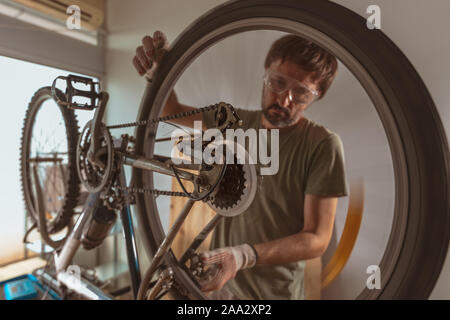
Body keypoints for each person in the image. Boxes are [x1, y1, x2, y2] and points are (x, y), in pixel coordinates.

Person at [133, 31, 348, 300]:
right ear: (265, 74)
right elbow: (170, 110)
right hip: (219, 287)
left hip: (272, 296)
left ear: (317, 95)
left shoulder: (322, 144)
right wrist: (159, 74)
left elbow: (316, 238)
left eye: (301, 93)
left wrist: (243, 256)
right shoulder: (234, 124)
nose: (284, 100)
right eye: (277, 82)